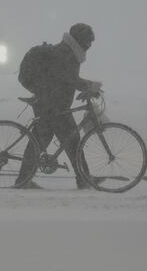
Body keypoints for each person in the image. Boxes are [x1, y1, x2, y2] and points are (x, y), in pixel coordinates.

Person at [16, 23, 102, 189]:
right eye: (88, 42)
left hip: (53, 103)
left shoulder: (69, 52)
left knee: (44, 142)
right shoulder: (66, 54)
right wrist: (89, 86)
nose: (89, 46)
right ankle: (83, 179)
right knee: (70, 142)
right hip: (53, 106)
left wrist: (87, 87)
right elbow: (68, 77)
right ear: (80, 40)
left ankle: (23, 179)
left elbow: (66, 79)